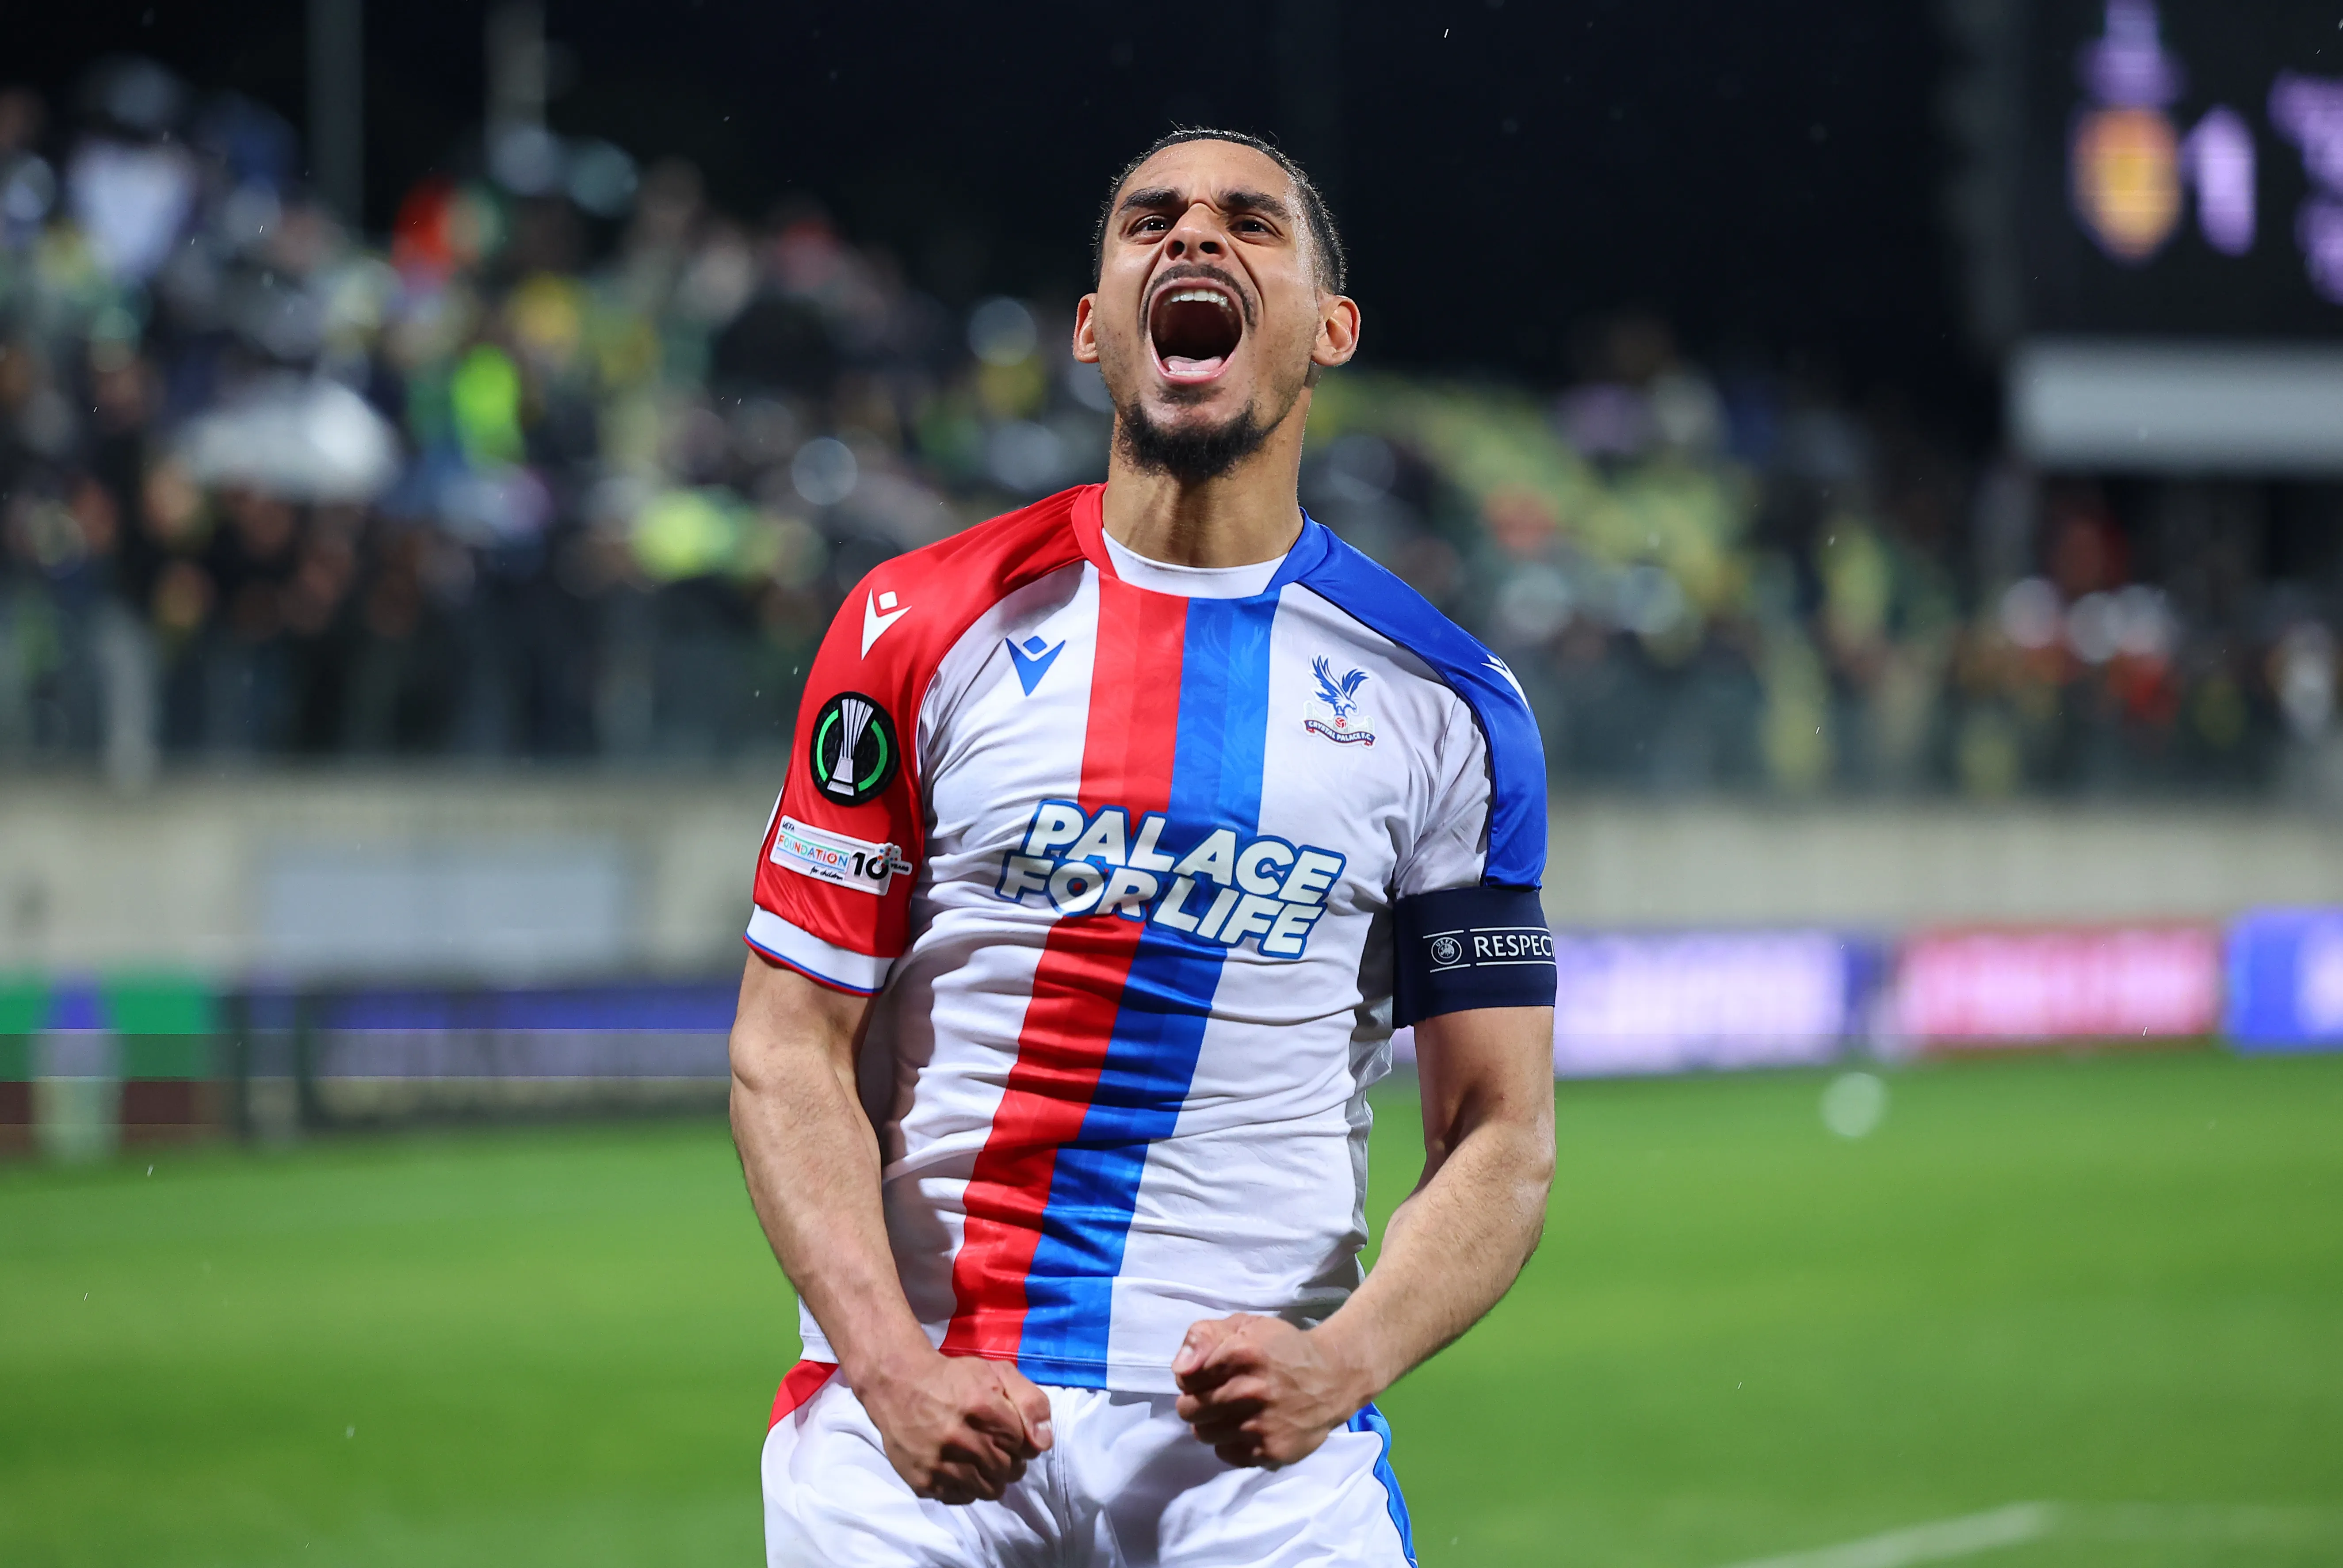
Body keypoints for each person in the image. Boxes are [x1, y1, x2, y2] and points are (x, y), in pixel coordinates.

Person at [729, 128, 1558, 1566]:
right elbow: (786, 1043)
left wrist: (1343, 1365)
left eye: (1251, 222)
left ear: (1331, 329)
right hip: (917, 1405)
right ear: (1092, 323)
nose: (1194, 239)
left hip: (1254, 1450)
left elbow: (1501, 1135)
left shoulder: (1450, 706)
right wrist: (885, 1366)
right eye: (1149, 220)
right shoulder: (915, 628)